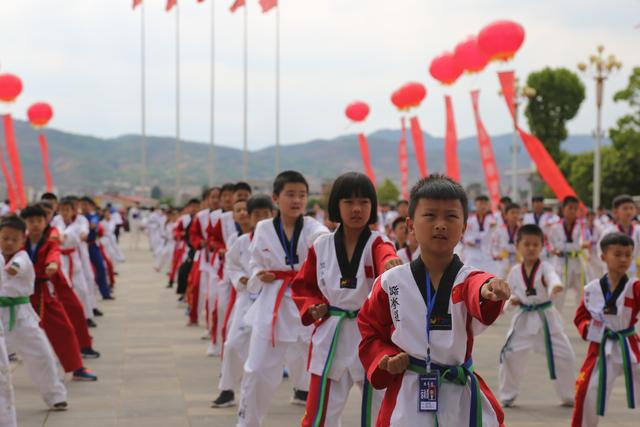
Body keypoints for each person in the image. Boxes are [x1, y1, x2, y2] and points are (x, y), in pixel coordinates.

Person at [357, 174, 510, 426]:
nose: (441, 224)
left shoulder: (468, 278)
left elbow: (477, 287)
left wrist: (489, 290)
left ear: (463, 226)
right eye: (430, 216)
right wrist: (385, 358)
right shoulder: (390, 282)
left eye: (451, 216)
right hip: (408, 391)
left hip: (460, 393)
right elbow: (370, 331)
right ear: (410, 224)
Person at [291, 172, 401, 427]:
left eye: (364, 202)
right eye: (348, 202)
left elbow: (387, 255)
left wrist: (390, 263)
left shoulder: (378, 242)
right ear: (336, 206)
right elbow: (303, 286)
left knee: (381, 412)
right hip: (332, 334)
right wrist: (312, 306)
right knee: (320, 414)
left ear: (372, 206)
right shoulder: (321, 246)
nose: (357, 209)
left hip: (370, 336)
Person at [236, 171, 329, 427]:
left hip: (305, 303)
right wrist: (258, 273)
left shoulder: (314, 228)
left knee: (318, 372)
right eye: (290, 194)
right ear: (276, 198)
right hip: (272, 304)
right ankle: (247, 422)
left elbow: (325, 246)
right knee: (256, 370)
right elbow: (254, 261)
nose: (297, 200)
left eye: (302, 195)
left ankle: (322, 421)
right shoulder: (264, 228)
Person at [498, 224, 576, 407]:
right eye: (527, 244)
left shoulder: (546, 267)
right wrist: (512, 301)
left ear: (542, 246)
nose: (531, 248)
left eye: (536, 244)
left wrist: (554, 286)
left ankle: (568, 394)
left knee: (566, 355)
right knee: (509, 355)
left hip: (546, 319)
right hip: (524, 320)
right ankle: (508, 394)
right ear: (518, 246)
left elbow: (552, 278)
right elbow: (510, 292)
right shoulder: (515, 271)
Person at [20, 204, 97, 381]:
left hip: (44, 290)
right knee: (8, 335)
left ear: (45, 220)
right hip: (19, 295)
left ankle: (76, 367)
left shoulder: (49, 242)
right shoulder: (19, 241)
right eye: (31, 221)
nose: (35, 225)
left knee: (64, 328)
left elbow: (54, 253)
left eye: (39, 221)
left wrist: (53, 264)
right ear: (25, 223)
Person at [0, 215, 67, 415]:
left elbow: (15, 269)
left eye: (14, 239)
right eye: (5, 238)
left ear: (23, 240)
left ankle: (56, 396)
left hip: (22, 318)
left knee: (42, 355)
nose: (9, 243)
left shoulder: (23, 258)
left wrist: (11, 268)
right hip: (1, 318)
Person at [572, 232, 640, 426]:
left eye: (628, 254)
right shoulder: (592, 289)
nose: (624, 259)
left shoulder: (634, 286)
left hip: (629, 345)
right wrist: (589, 329)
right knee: (587, 391)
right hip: (601, 347)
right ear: (603, 257)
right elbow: (580, 318)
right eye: (617, 254)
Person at [212, 195, 274, 408]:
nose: (261, 218)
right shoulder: (242, 242)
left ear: (273, 214)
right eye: (257, 214)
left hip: (277, 298)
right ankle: (227, 389)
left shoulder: (281, 241)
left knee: (299, 343)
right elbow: (231, 265)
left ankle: (303, 388)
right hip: (248, 297)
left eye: (266, 214)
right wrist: (241, 279)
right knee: (232, 344)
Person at [207, 182, 252, 356]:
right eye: (237, 195)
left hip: (252, 278)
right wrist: (219, 248)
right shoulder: (224, 219)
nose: (241, 198)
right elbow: (214, 238)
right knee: (222, 308)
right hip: (228, 272)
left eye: (245, 195)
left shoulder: (258, 221)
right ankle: (217, 344)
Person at [549, 196, 587, 310]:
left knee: (582, 295)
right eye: (570, 208)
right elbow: (551, 244)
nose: (573, 211)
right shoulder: (555, 227)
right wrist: (555, 250)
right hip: (562, 264)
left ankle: (583, 320)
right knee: (559, 296)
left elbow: (584, 242)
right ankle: (555, 325)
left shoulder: (582, 226)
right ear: (563, 209)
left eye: (576, 209)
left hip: (578, 263)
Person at [598, 195, 640, 276]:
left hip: (634, 271)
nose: (629, 212)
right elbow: (601, 251)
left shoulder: (638, 230)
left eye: (631, 208)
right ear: (615, 211)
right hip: (613, 272)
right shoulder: (609, 232)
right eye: (625, 208)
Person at [463, 195, 497, 275]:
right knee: (470, 275)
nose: (483, 206)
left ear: (488, 206)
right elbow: (464, 236)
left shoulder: (492, 220)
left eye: (485, 204)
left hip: (486, 252)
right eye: (480, 204)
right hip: (471, 252)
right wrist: (468, 241)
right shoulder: (470, 220)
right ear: (475, 205)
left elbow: (494, 237)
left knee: (488, 276)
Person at [493, 203, 522, 278]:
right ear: (505, 215)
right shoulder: (499, 230)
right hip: (503, 261)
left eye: (517, 213)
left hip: (518, 260)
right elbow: (494, 246)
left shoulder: (523, 230)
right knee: (501, 282)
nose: (515, 215)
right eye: (512, 212)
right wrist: (497, 255)